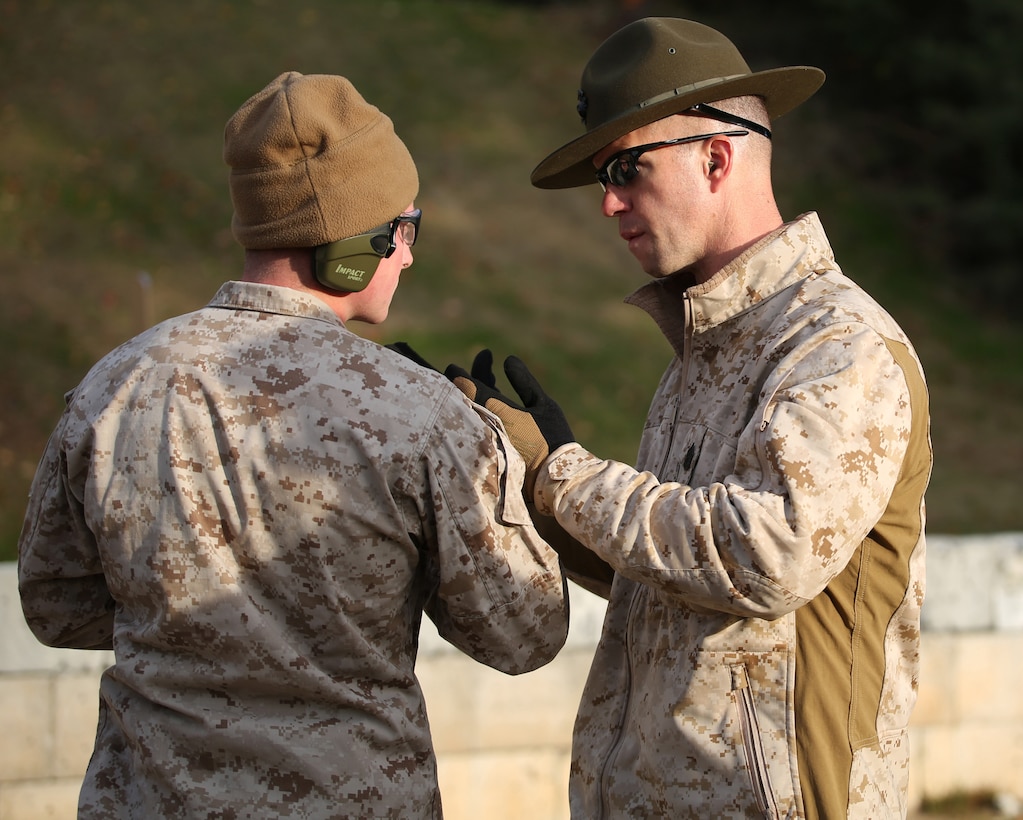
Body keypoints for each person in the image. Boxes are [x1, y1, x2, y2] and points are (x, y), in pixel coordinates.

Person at [17, 71, 568, 819]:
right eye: (404, 230)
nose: (407, 255)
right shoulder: (422, 414)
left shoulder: (115, 384)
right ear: (351, 247)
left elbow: (55, 605)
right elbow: (523, 633)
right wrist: (514, 473)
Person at [447, 17, 931, 819]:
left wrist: (562, 474)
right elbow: (672, 580)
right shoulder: (704, 353)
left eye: (628, 169)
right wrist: (520, 479)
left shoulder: (837, 343)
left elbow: (765, 553)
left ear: (716, 157)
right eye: (605, 176)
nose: (608, 203)